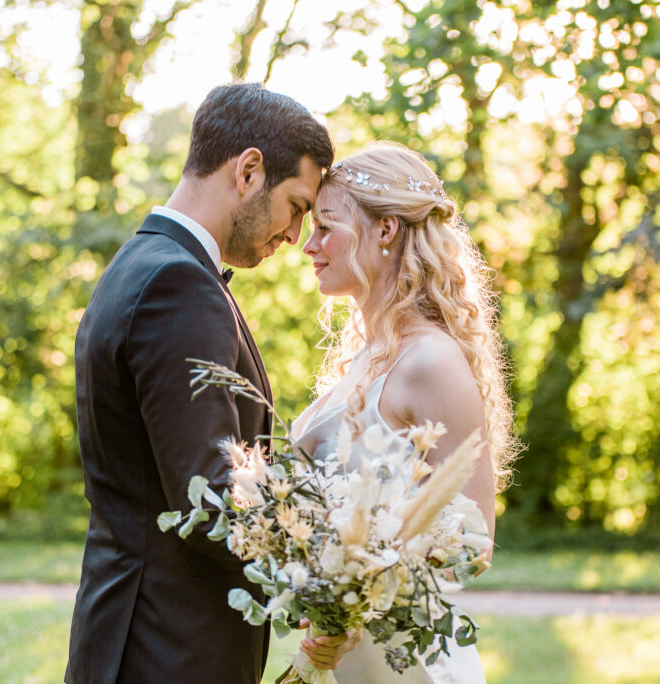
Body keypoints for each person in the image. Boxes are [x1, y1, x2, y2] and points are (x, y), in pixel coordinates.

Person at [65, 83, 339, 683]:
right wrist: (343, 558)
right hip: (169, 653)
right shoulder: (179, 286)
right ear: (248, 171)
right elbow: (211, 501)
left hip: (132, 640)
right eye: (296, 206)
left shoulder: (140, 264)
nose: (295, 235)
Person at [292, 142, 520, 682]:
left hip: (410, 666)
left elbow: (472, 542)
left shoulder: (431, 360)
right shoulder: (367, 357)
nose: (309, 245)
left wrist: (353, 599)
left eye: (326, 226)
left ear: (387, 230)